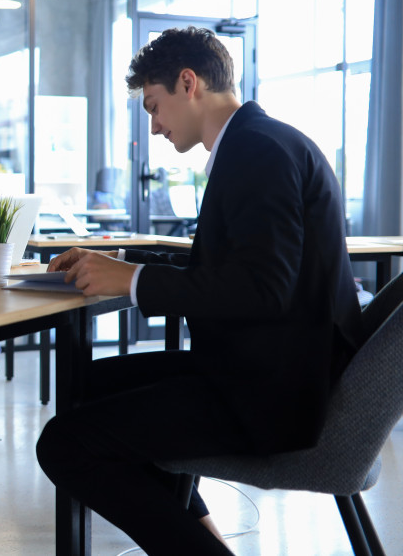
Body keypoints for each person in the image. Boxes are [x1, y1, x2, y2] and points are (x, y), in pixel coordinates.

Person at [35, 27, 364, 555]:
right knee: (89, 383)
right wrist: (123, 262)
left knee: (63, 445)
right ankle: (203, 534)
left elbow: (262, 288)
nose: (154, 125)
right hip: (268, 370)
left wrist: (136, 282)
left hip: (272, 396)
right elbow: (230, 264)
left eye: (153, 105)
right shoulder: (259, 142)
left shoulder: (257, 152)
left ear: (188, 83)